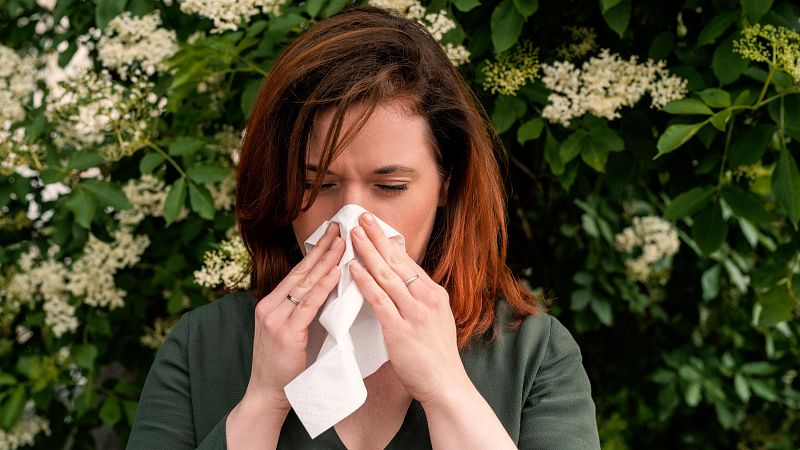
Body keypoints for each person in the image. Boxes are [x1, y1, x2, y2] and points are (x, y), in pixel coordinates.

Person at [127, 4, 600, 449]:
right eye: (319, 183)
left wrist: (446, 390)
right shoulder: (205, 345)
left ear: (446, 187)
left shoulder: (532, 354)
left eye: (390, 186)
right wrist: (263, 402)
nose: (350, 221)